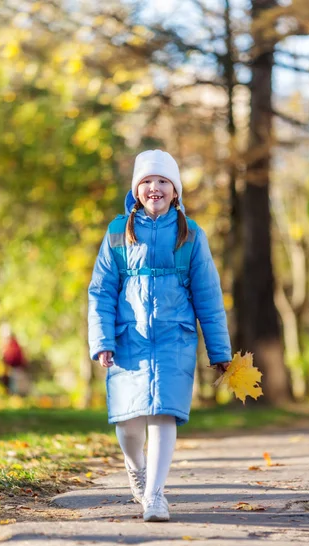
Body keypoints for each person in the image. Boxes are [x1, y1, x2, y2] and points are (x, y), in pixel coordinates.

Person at [88, 149, 231, 522]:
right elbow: (101, 291)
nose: (155, 187)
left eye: (163, 181)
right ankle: (136, 468)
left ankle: (155, 495)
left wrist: (220, 351)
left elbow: (208, 296)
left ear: (175, 191)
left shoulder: (191, 234)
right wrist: (102, 339)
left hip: (175, 337)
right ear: (136, 189)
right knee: (129, 422)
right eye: (147, 181)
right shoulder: (118, 232)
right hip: (127, 338)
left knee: (163, 414)